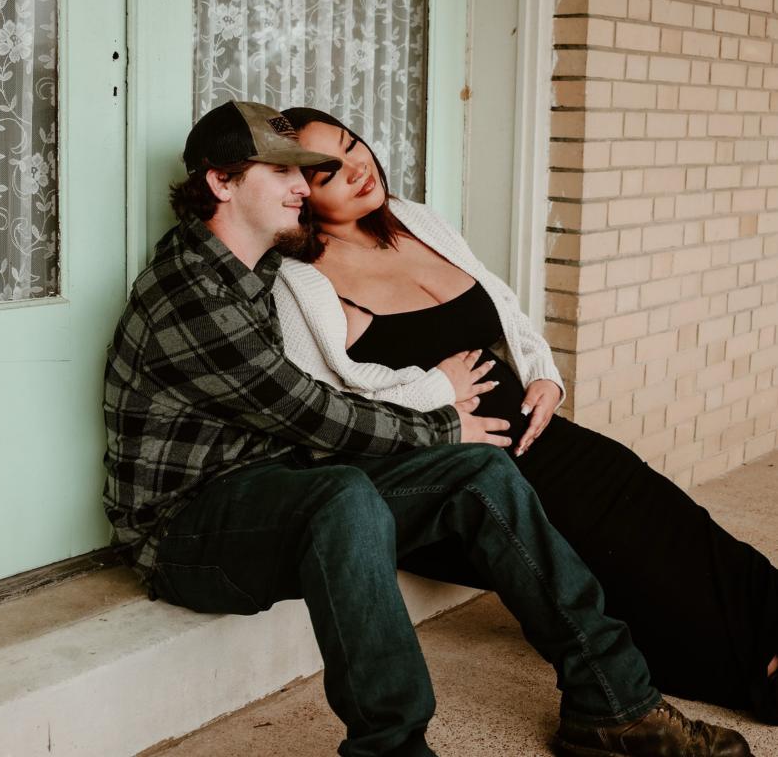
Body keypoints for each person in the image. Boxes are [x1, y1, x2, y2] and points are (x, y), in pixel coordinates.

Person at [103, 101, 751, 757]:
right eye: (283, 172)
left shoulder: (256, 263)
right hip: (187, 529)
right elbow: (318, 415)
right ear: (222, 182)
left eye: (305, 172)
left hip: (274, 486)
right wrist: (445, 425)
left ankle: (612, 705)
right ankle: (392, 748)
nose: (302, 187)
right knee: (343, 495)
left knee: (482, 471)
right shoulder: (189, 297)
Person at [275, 104, 778, 726]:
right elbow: (323, 410)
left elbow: (506, 310)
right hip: (455, 471)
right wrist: (437, 390)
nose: (358, 169)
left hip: (534, 436)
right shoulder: (301, 282)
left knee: (664, 513)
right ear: (299, 192)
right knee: (628, 559)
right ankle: (754, 671)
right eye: (328, 171)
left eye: (354, 146)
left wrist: (544, 375)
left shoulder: (414, 220)